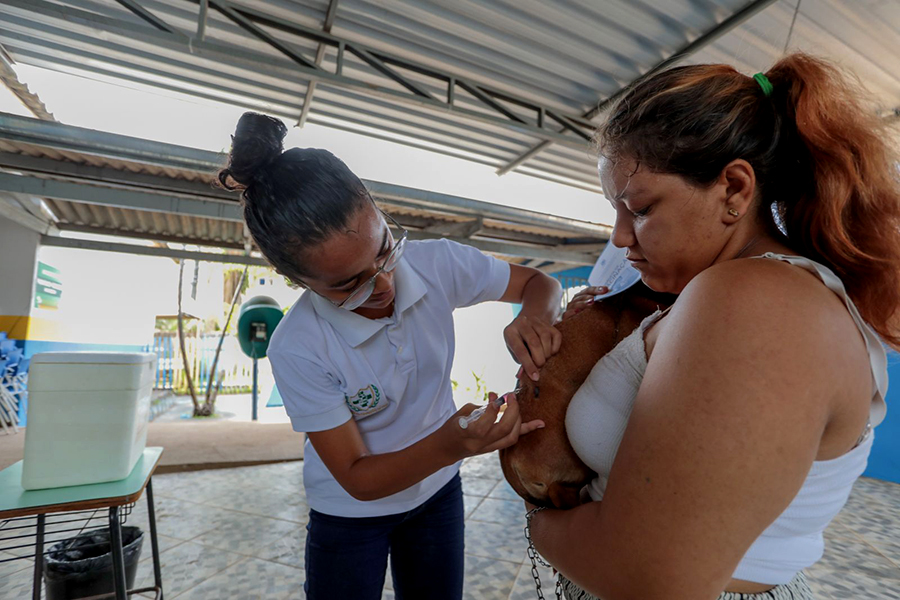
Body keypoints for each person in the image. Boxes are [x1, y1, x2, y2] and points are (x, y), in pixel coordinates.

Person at [527, 53, 899, 600]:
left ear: (733, 189)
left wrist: (539, 519)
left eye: (641, 209)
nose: (621, 237)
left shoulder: (755, 301)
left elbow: (649, 579)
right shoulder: (742, 295)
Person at [216, 112, 564, 600]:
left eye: (383, 250)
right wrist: (453, 444)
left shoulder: (436, 263)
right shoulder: (299, 347)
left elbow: (539, 284)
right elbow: (358, 479)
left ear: (378, 213)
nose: (382, 285)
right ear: (298, 282)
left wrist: (535, 317)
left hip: (438, 492)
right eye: (347, 283)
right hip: (349, 515)